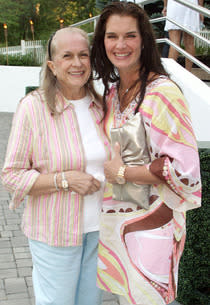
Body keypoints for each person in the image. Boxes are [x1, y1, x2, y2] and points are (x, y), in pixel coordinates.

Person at [91, 2, 201, 305]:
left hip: (153, 222)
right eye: (112, 36)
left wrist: (123, 173)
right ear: (102, 41)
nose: (120, 44)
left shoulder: (163, 92)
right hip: (117, 224)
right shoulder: (112, 94)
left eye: (130, 35)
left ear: (144, 40)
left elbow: (186, 169)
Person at [1, 26, 111, 305]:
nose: (77, 63)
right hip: (55, 233)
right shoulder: (33, 107)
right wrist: (64, 180)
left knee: (89, 302)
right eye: (67, 56)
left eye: (83, 55)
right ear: (52, 65)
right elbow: (11, 175)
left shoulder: (102, 106)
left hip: (99, 230)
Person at [162, 0, 204, 71]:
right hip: (191, 4)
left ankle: (170, 73)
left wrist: (165, 6)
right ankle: (188, 72)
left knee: (174, 42)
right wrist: (200, 8)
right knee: (189, 42)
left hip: (175, 4)